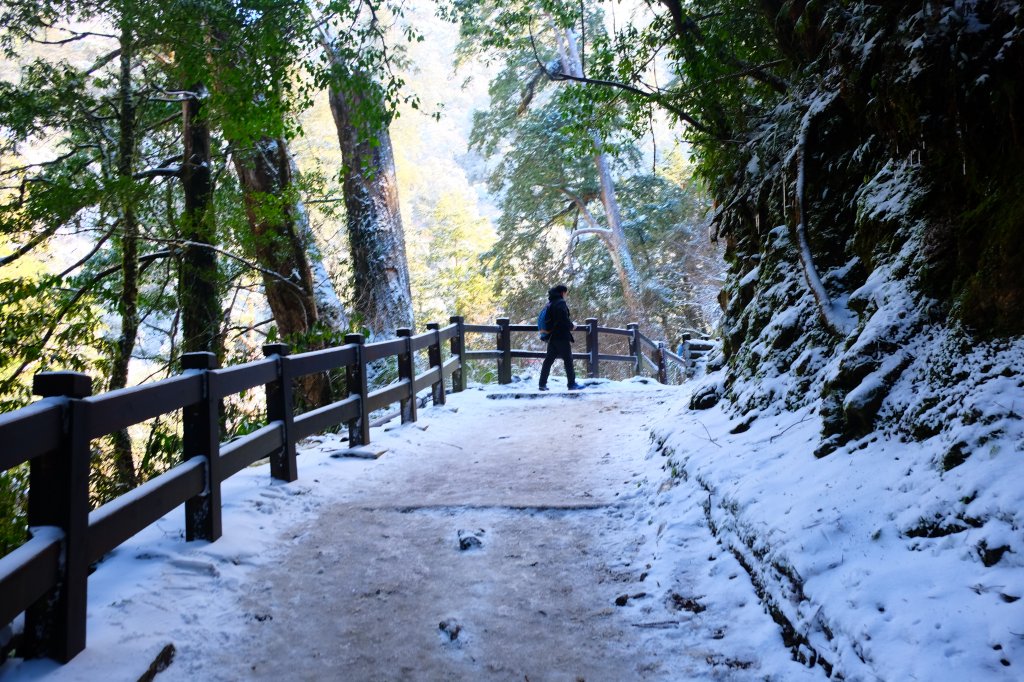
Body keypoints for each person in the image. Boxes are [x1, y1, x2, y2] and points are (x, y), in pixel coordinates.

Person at [538, 284, 583, 391]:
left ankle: (542, 384)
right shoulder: (560, 303)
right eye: (566, 293)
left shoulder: (550, 303)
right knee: (568, 360)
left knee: (548, 360)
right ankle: (571, 384)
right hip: (561, 336)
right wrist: (572, 326)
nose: (566, 295)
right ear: (562, 292)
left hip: (552, 336)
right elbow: (563, 320)